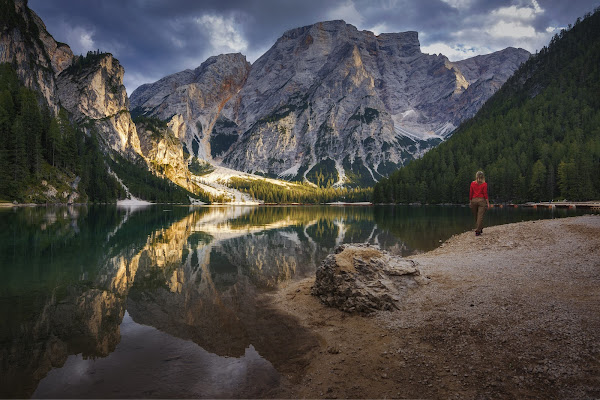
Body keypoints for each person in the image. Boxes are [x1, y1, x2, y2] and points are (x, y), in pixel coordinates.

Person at [469, 171, 489, 236]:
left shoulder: (472, 183)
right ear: (483, 177)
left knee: (476, 216)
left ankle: (479, 228)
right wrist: (488, 202)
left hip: (474, 200)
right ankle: (478, 230)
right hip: (481, 200)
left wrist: (470, 201)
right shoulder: (484, 184)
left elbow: (471, 193)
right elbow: (485, 194)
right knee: (480, 216)